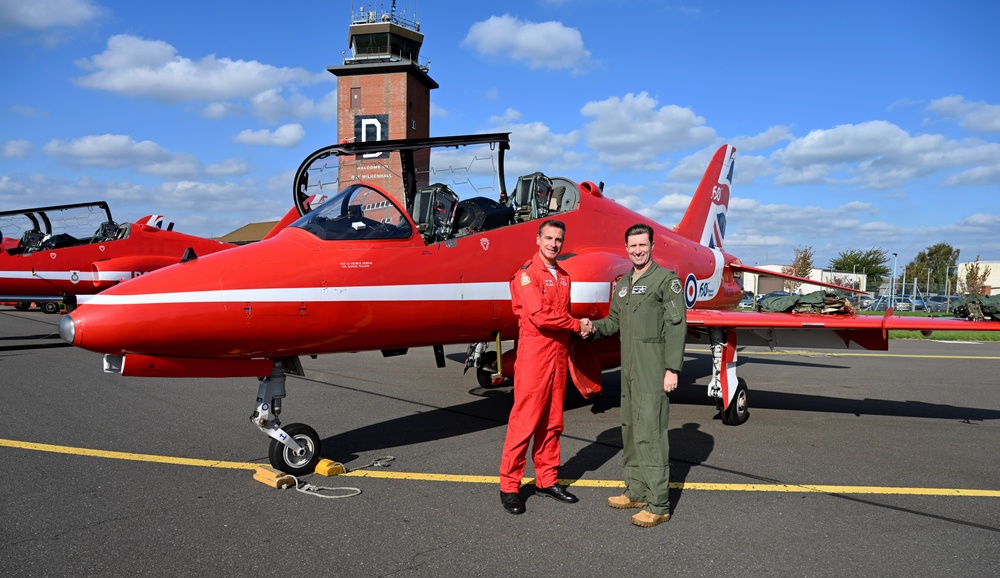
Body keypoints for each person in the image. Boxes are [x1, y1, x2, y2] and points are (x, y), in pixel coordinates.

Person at [580, 223, 687, 528]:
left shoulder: (666, 281)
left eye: (643, 244)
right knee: (630, 428)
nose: (638, 250)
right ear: (626, 248)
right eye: (632, 246)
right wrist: (591, 328)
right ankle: (637, 490)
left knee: (650, 433)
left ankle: (659, 504)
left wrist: (672, 369)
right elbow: (613, 322)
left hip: (653, 368)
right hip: (629, 370)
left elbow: (676, 326)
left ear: (652, 246)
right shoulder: (624, 284)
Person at [499, 219, 590, 515]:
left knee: (553, 423)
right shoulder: (527, 275)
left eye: (558, 240)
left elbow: (558, 314)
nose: (553, 244)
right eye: (548, 238)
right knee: (524, 422)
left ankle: (546, 480)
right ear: (538, 239)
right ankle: (510, 486)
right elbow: (541, 316)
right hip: (535, 357)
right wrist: (578, 325)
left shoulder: (564, 276)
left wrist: (575, 328)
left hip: (558, 356)